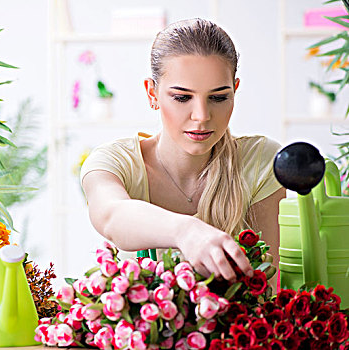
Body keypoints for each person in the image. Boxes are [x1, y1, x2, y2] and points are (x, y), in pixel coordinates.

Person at [80, 18, 286, 284]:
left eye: (218, 97)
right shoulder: (114, 162)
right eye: (182, 97)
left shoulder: (260, 161)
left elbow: (267, 286)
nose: (201, 116)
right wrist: (186, 230)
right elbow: (110, 215)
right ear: (152, 93)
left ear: (234, 91)